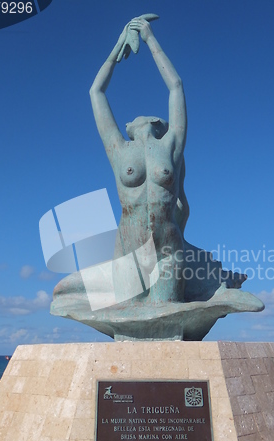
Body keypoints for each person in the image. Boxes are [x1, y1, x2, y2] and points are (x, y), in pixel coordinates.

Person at [90, 16, 187, 305]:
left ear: (159, 123)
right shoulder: (118, 148)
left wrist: (150, 38)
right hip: (127, 251)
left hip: (167, 249)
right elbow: (96, 92)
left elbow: (176, 87)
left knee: (165, 317)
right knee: (127, 322)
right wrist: (119, 45)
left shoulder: (170, 145)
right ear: (129, 126)